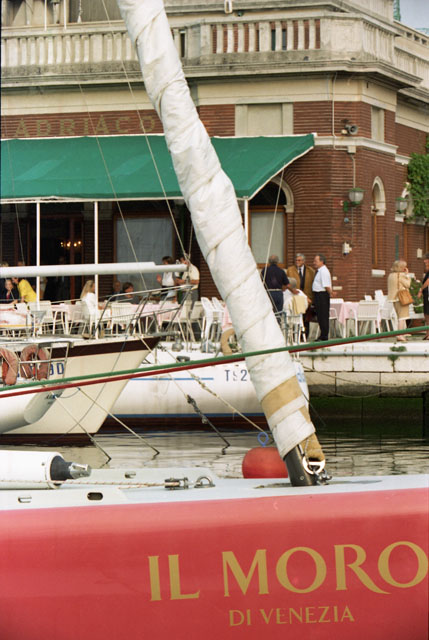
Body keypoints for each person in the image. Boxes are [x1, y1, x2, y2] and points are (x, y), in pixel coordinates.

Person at [387, 259, 411, 342]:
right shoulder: (401, 275)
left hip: (394, 298)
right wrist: (407, 275)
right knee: (402, 317)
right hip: (401, 298)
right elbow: (408, 284)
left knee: (399, 317)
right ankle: (400, 335)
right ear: (401, 267)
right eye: (404, 266)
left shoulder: (391, 276)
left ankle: (401, 334)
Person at [312, 253, 332, 341]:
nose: (314, 263)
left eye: (316, 261)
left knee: (323, 315)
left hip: (322, 295)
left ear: (322, 261)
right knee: (320, 316)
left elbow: (326, 285)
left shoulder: (324, 271)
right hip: (318, 295)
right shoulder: (319, 271)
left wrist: (331, 293)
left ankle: (324, 336)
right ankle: (322, 334)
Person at [417, 252, 429, 340]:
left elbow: (428, 281)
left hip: (428, 294)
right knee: (426, 314)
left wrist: (421, 289)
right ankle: (428, 333)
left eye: (426, 259)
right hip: (426, 294)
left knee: (428, 314)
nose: (424, 261)